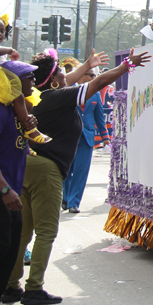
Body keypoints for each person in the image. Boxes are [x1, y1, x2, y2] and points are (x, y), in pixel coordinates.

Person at [3, 48, 149, 305]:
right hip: (46, 169)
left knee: (23, 232)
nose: (66, 74)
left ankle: (11, 286)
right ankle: (34, 288)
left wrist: (86, 64)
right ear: (54, 80)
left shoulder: (41, 97)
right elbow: (100, 81)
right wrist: (127, 64)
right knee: (46, 231)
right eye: (61, 71)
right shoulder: (59, 98)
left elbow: (68, 81)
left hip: (26, 165)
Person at [0, 62, 36, 305]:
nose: (33, 82)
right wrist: (5, 189)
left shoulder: (15, 111)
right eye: (28, 77)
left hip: (9, 191)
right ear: (11, 82)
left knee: (8, 246)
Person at [0, 13, 49, 147]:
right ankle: (31, 130)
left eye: (2, 31)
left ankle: (25, 142)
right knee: (19, 97)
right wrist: (9, 50)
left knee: (23, 101)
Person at [60, 68, 108, 214]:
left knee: (81, 171)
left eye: (95, 75)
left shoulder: (96, 95)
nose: (94, 78)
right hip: (68, 137)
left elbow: (100, 118)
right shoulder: (68, 91)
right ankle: (66, 197)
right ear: (81, 75)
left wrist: (105, 137)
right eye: (91, 75)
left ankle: (74, 202)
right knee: (66, 170)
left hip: (86, 138)